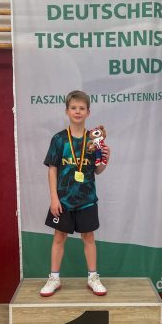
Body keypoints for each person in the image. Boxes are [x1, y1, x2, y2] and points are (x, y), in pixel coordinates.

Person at [40, 90, 111, 297]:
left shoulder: (94, 140)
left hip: (87, 199)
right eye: (73, 108)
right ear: (67, 111)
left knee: (88, 236)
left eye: (82, 108)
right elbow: (52, 169)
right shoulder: (59, 139)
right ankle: (54, 278)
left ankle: (93, 277)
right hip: (63, 200)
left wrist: (106, 160)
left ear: (88, 112)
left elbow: (97, 170)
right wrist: (54, 198)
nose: (77, 111)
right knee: (59, 236)